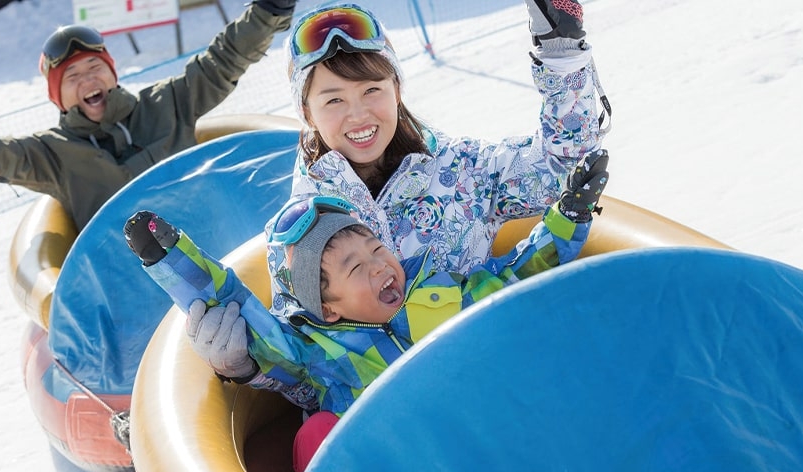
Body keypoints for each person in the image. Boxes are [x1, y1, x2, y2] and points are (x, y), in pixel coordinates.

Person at [185, 1, 612, 392]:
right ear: (307, 113)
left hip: (497, 374)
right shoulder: (300, 232)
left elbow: (561, 166)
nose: (358, 115)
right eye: (333, 99)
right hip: (395, 427)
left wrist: (562, 56)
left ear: (396, 89)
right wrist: (243, 367)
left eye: (372, 89)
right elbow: (308, 373)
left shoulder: (460, 171)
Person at [125, 148, 609, 472]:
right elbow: (243, 313)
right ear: (327, 309)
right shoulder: (320, 355)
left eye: (377, 249)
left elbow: (520, 271)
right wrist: (169, 257)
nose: (380, 266)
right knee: (317, 435)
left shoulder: (442, 292)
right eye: (356, 267)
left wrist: (568, 214)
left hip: (490, 439)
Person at [0, 0, 296, 231]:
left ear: (112, 73)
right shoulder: (52, 156)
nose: (88, 80)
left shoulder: (167, 104)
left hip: (213, 239)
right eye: (72, 78)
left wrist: (268, 13)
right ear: (57, 98)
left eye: (95, 67)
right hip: (136, 286)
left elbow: (221, 61)